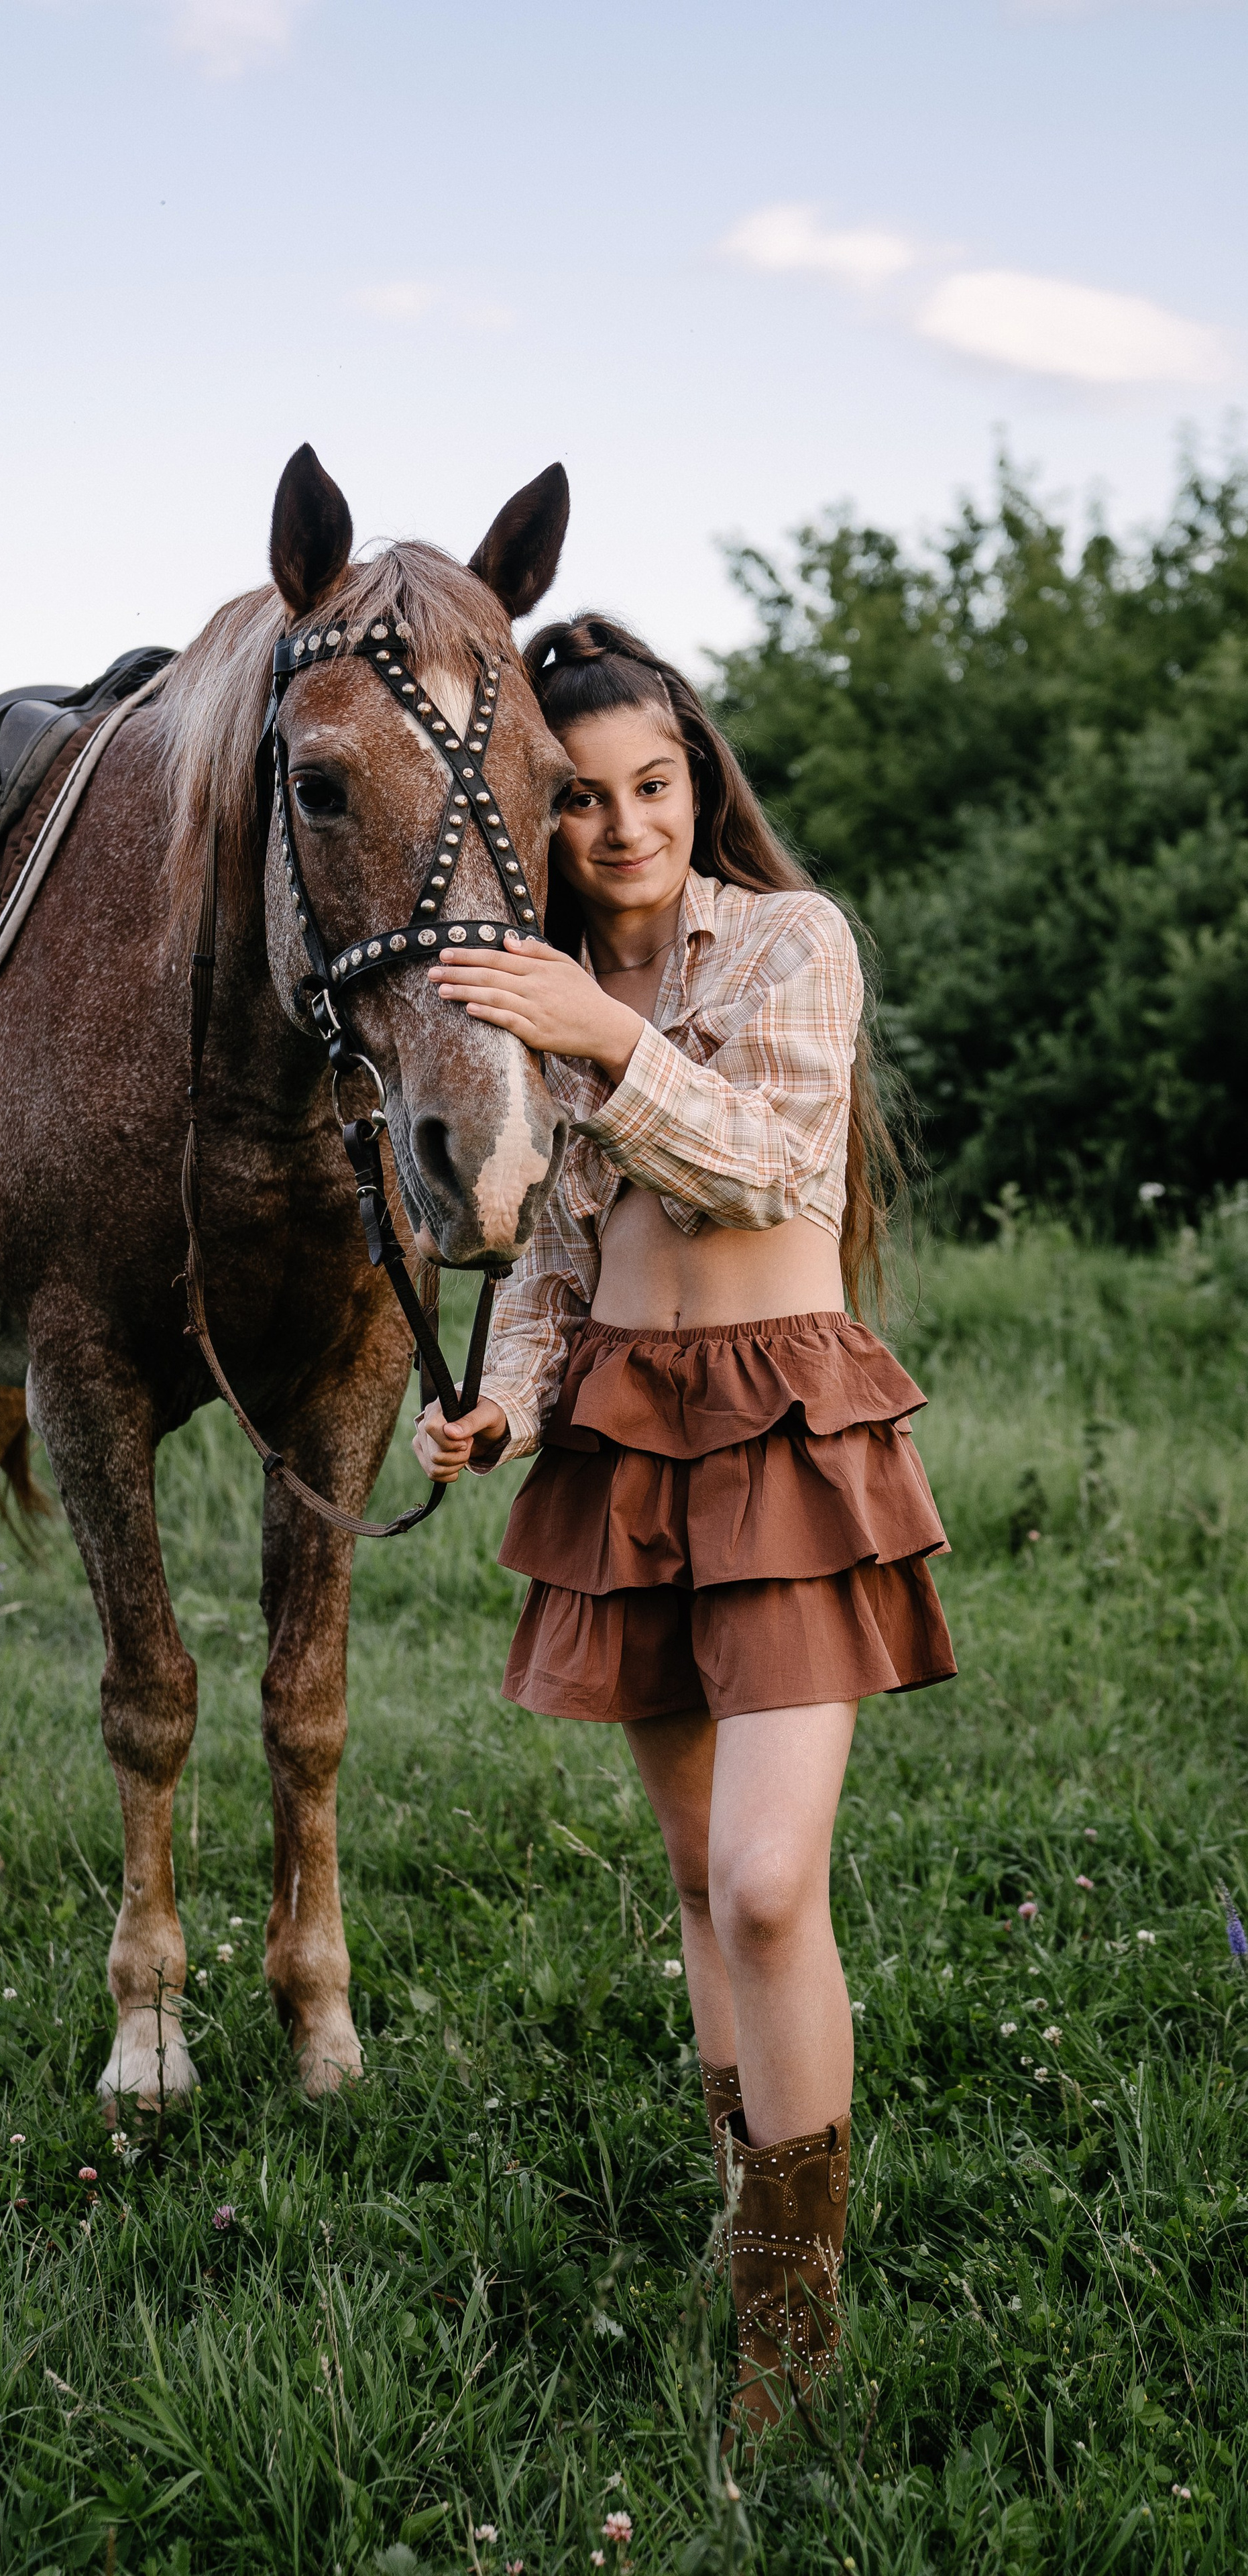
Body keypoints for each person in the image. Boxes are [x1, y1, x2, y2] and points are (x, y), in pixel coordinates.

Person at [413, 615, 956, 2444]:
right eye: (582, 801)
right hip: (624, 1433)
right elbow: (552, 1266)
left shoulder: (792, 940)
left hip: (786, 1423)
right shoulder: (541, 983)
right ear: (543, 822)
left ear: (696, 781)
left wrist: (603, 1035)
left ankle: (792, 2341)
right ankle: (750, 2227)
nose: (627, 825)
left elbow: (777, 1165)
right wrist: (506, 1401)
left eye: (656, 785)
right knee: (699, 1880)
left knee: (771, 1879)